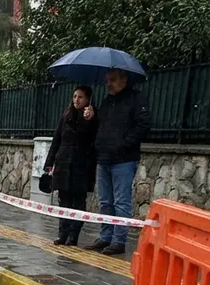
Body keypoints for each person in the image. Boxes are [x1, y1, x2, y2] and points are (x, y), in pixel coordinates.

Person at [85, 68, 150, 256]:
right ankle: (105, 236)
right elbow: (101, 126)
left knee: (121, 202)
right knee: (105, 201)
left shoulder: (136, 99)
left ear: (124, 79)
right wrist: (92, 116)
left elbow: (143, 126)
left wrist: (124, 144)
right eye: (107, 80)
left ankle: (118, 240)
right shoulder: (107, 102)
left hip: (124, 159)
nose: (109, 84)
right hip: (104, 157)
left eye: (112, 80)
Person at [43, 85, 97, 246]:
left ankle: (74, 234)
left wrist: (90, 120)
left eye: (80, 97)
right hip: (63, 164)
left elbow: (93, 139)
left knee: (78, 201)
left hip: (81, 166)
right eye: (74, 96)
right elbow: (57, 139)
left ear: (87, 99)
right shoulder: (66, 116)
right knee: (63, 200)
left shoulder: (93, 117)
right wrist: (50, 162)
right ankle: (62, 232)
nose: (76, 100)